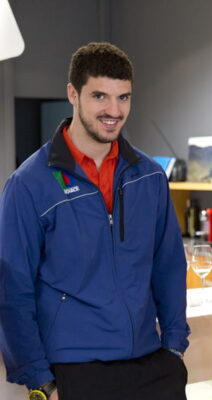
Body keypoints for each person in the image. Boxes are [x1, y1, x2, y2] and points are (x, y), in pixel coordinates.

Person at [0, 42, 189, 400]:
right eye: (100, 96)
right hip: (73, 369)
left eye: (123, 98)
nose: (114, 111)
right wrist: (40, 380)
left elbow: (168, 265)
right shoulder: (28, 184)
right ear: (73, 94)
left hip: (152, 364)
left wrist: (175, 346)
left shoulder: (149, 176)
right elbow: (12, 290)